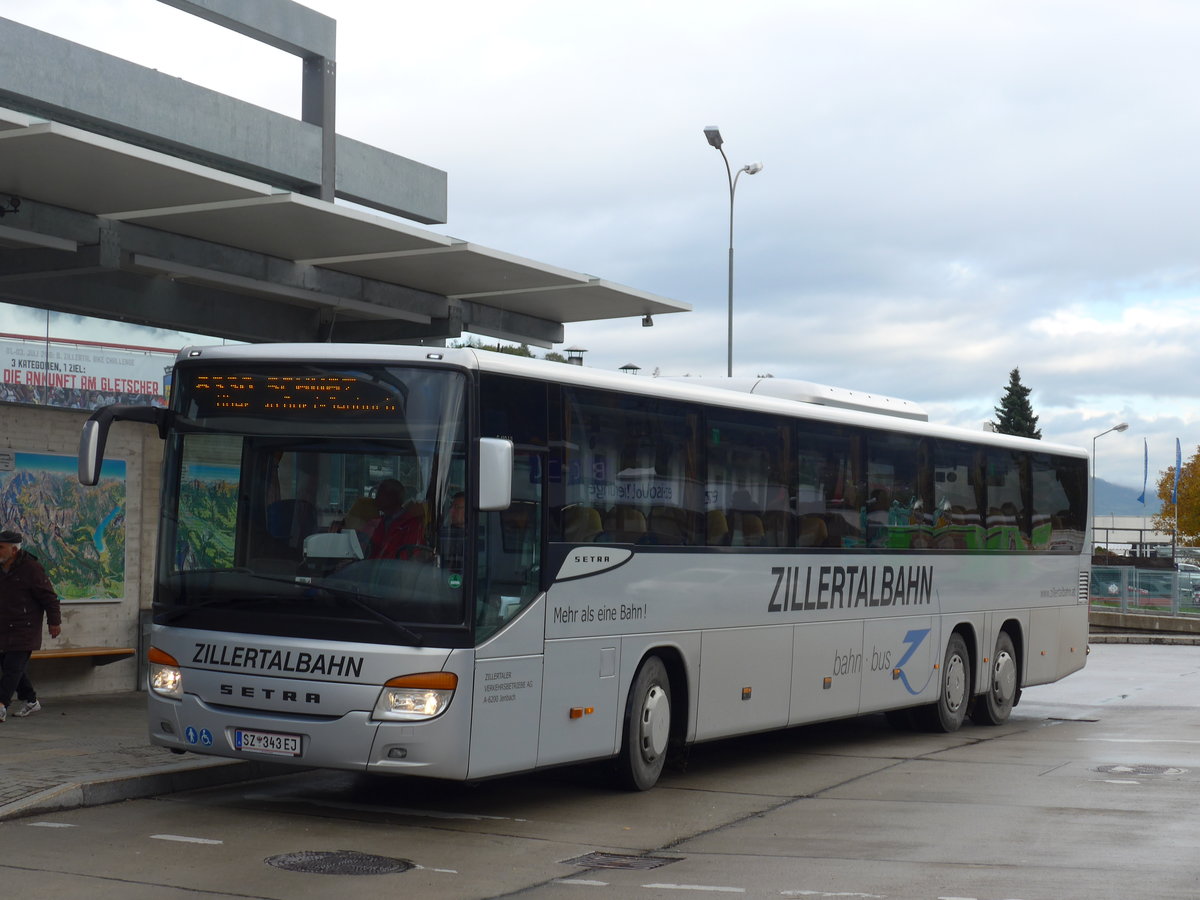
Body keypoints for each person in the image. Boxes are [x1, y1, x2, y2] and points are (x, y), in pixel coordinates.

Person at [0, 530, 62, 723]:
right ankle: (31, 699)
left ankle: (1, 705)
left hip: (25, 629)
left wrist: (54, 622)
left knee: (12, 668)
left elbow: (49, 598)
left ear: (14, 550)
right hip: (4, 628)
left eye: (0, 547)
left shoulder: (31, 569)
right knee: (10, 666)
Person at [366, 479, 427, 559]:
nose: (376, 498)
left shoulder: (411, 524)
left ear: (392, 497)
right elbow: (370, 551)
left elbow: (408, 556)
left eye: (380, 494)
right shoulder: (381, 522)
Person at [439, 491, 466, 572]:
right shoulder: (445, 533)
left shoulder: (475, 536)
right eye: (451, 507)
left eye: (457, 507)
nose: (451, 511)